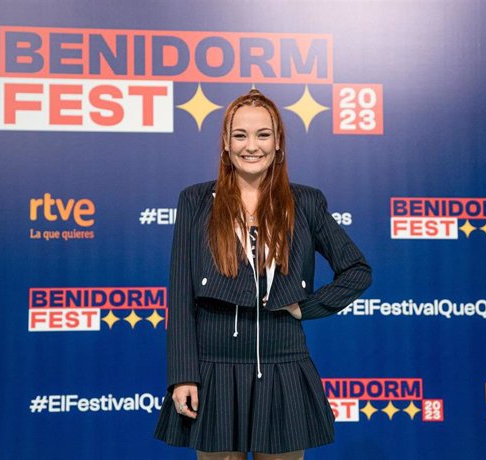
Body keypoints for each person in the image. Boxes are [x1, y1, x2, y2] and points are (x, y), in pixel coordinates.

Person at [154, 89, 372, 460]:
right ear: (225, 143)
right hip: (214, 371)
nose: (250, 146)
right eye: (240, 135)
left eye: (262, 135)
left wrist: (309, 307)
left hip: (283, 366)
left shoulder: (305, 202)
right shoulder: (194, 200)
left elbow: (357, 270)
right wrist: (182, 375)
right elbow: (180, 294)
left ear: (278, 143)